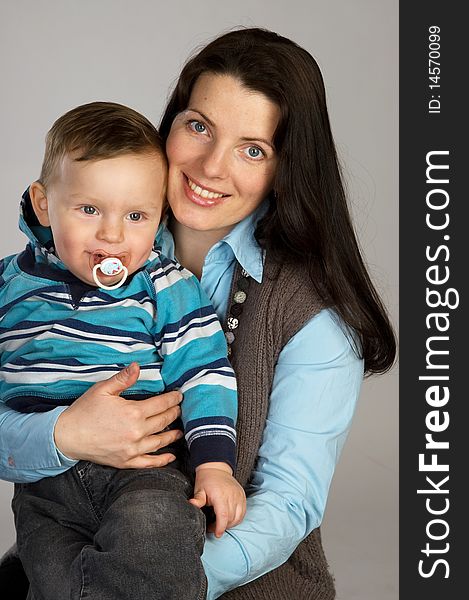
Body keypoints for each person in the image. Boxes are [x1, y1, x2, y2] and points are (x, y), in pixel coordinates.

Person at [0, 27, 396, 599]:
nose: (212, 166)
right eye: (200, 127)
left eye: (252, 149)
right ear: (172, 124)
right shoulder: (88, 245)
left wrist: (148, 581)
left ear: (284, 168)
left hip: (223, 580)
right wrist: (64, 434)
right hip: (66, 541)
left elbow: (287, 504)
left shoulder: (312, 316)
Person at [0, 101, 245, 600]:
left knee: (158, 546)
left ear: (159, 216)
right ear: (45, 204)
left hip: (145, 473)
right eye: (89, 210)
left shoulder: (165, 285)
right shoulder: (9, 286)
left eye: (135, 215)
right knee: (50, 581)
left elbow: (204, 373)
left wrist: (214, 465)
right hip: (45, 487)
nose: (112, 235)